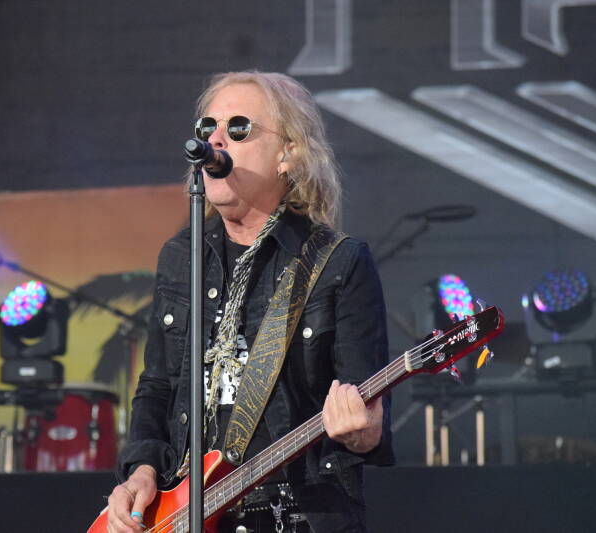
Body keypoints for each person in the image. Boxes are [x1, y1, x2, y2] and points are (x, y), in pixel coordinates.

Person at [106, 71, 393, 532]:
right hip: (187, 512)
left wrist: (363, 432)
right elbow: (157, 387)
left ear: (288, 154)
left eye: (239, 128)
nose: (215, 139)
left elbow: (365, 420)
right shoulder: (181, 258)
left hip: (293, 514)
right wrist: (140, 472)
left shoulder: (338, 263)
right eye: (207, 128)